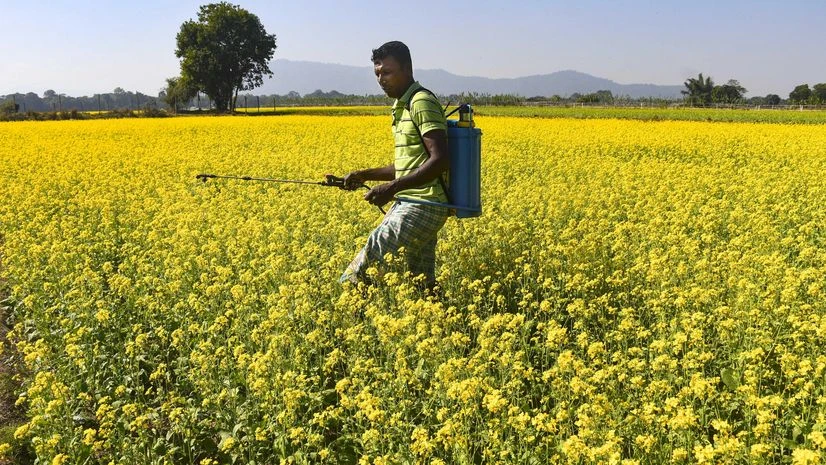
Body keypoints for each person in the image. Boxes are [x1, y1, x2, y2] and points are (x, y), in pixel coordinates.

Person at [339, 41, 450, 290]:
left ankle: (351, 316)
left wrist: (391, 188)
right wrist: (362, 175)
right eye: (377, 73)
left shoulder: (420, 102)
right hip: (413, 202)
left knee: (359, 273)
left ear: (407, 69)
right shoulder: (401, 105)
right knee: (420, 282)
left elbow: (440, 159)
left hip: (424, 204)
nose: (381, 80)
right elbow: (408, 165)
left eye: (387, 72)